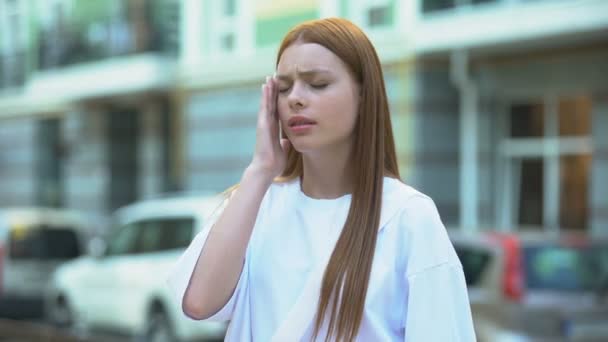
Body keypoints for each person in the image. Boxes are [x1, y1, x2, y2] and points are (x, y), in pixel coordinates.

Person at [167, 17, 476, 342]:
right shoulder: (255, 202)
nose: (295, 99)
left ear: (364, 96)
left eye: (317, 84)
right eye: (283, 87)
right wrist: (260, 169)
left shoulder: (407, 217)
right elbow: (199, 303)